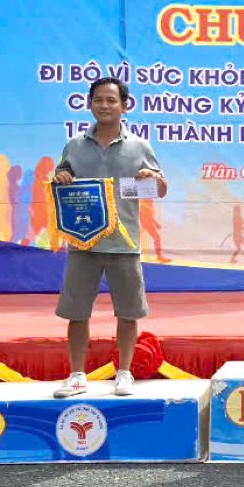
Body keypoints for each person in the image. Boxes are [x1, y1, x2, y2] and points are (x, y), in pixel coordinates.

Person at [52, 77, 167, 398]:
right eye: (98, 100)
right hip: (83, 242)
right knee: (76, 312)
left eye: (111, 100)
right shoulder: (74, 145)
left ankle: (125, 372)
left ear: (124, 106)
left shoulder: (139, 146)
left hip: (125, 243)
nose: (104, 105)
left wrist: (151, 176)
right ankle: (77, 375)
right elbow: (61, 180)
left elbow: (160, 188)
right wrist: (61, 178)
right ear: (89, 104)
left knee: (128, 311)